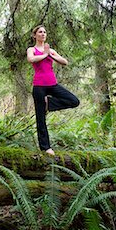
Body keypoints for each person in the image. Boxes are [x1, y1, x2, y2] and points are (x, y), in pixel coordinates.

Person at [27, 25, 80, 155]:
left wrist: (51, 55)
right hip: (39, 86)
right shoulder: (32, 49)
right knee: (41, 119)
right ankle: (46, 148)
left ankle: (49, 104)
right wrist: (44, 55)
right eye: (40, 32)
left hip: (52, 84)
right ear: (35, 35)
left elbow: (65, 61)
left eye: (45, 32)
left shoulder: (51, 50)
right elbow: (31, 59)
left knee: (74, 101)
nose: (43, 34)